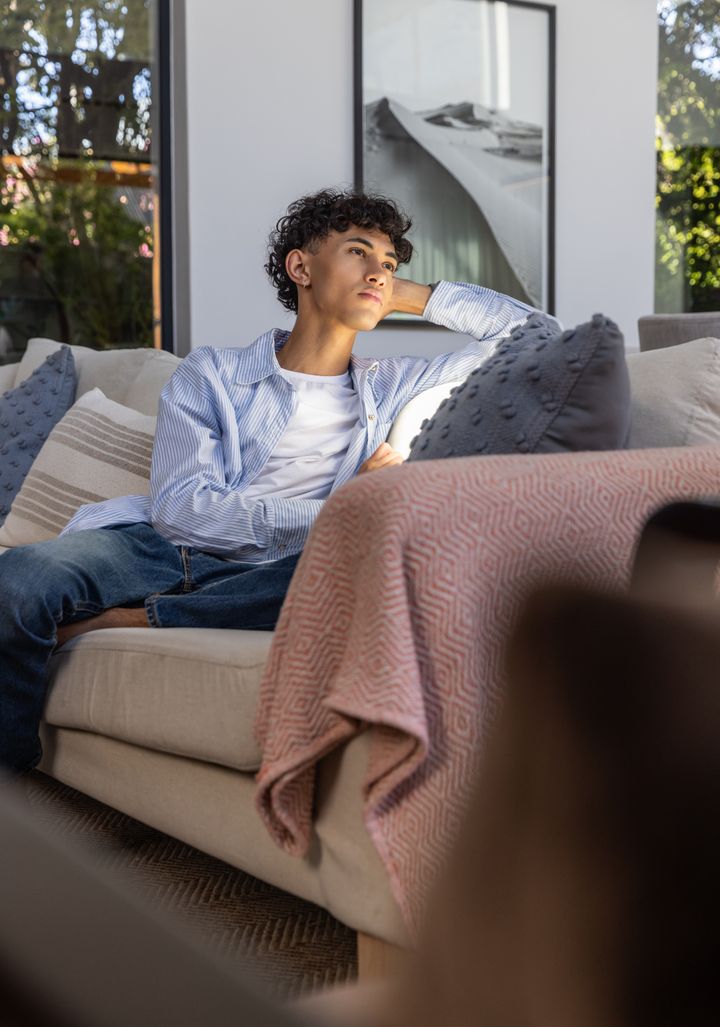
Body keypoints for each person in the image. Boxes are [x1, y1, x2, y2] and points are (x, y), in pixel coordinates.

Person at [0, 187, 555, 775]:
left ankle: (133, 618)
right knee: (19, 578)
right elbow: (182, 510)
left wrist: (412, 295)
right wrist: (341, 508)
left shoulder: (394, 384)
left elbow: (540, 338)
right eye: (358, 252)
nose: (379, 272)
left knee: (380, 565)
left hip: (290, 568)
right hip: (162, 550)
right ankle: (11, 780)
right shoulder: (214, 372)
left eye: (390, 264)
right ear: (301, 267)